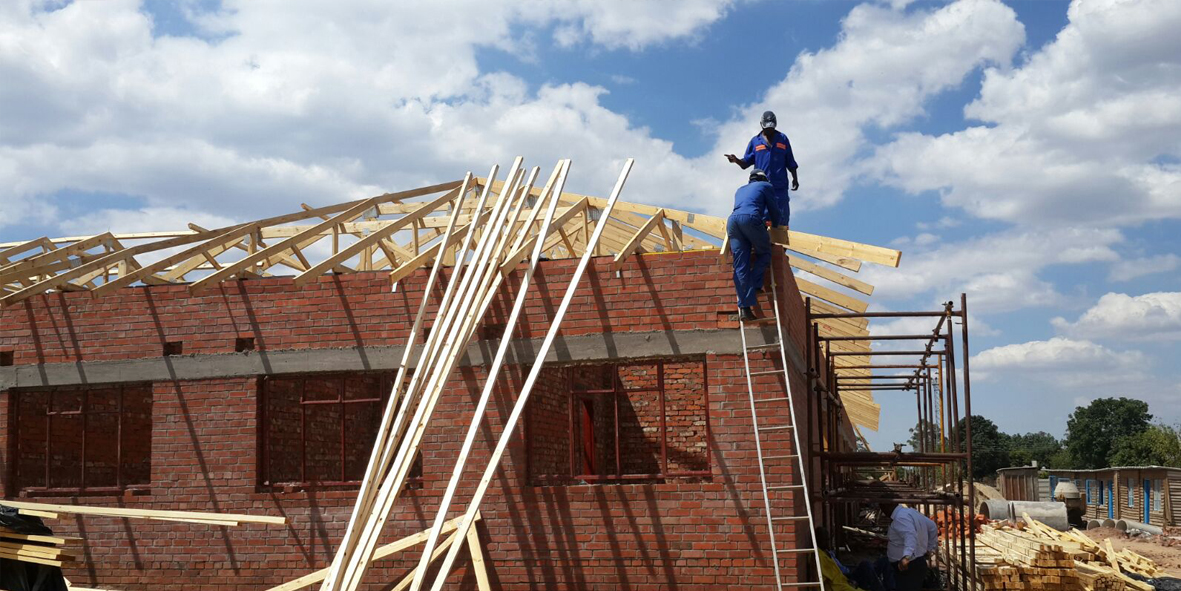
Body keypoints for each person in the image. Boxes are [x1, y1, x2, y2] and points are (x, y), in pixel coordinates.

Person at [724, 110, 799, 226]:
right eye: (767, 129)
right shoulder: (755, 142)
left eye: (771, 128)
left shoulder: (783, 139)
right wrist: (736, 160)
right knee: (762, 220)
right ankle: (763, 242)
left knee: (782, 221)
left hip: (779, 187)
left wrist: (795, 178)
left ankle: (780, 244)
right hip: (761, 188)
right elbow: (745, 163)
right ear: (761, 125)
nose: (769, 131)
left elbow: (790, 161)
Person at [727, 169, 781, 321]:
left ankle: (744, 308)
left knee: (740, 266)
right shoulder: (766, 186)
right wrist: (776, 225)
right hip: (750, 219)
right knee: (764, 252)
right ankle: (756, 285)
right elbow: (773, 209)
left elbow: (747, 205)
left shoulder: (740, 189)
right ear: (763, 178)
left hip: (732, 222)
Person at [881, 503, 939, 591]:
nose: (883, 512)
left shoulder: (900, 518)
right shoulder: (911, 512)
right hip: (916, 562)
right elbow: (932, 527)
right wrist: (929, 548)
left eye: (882, 509)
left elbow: (910, 535)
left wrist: (906, 557)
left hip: (908, 566)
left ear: (887, 506)